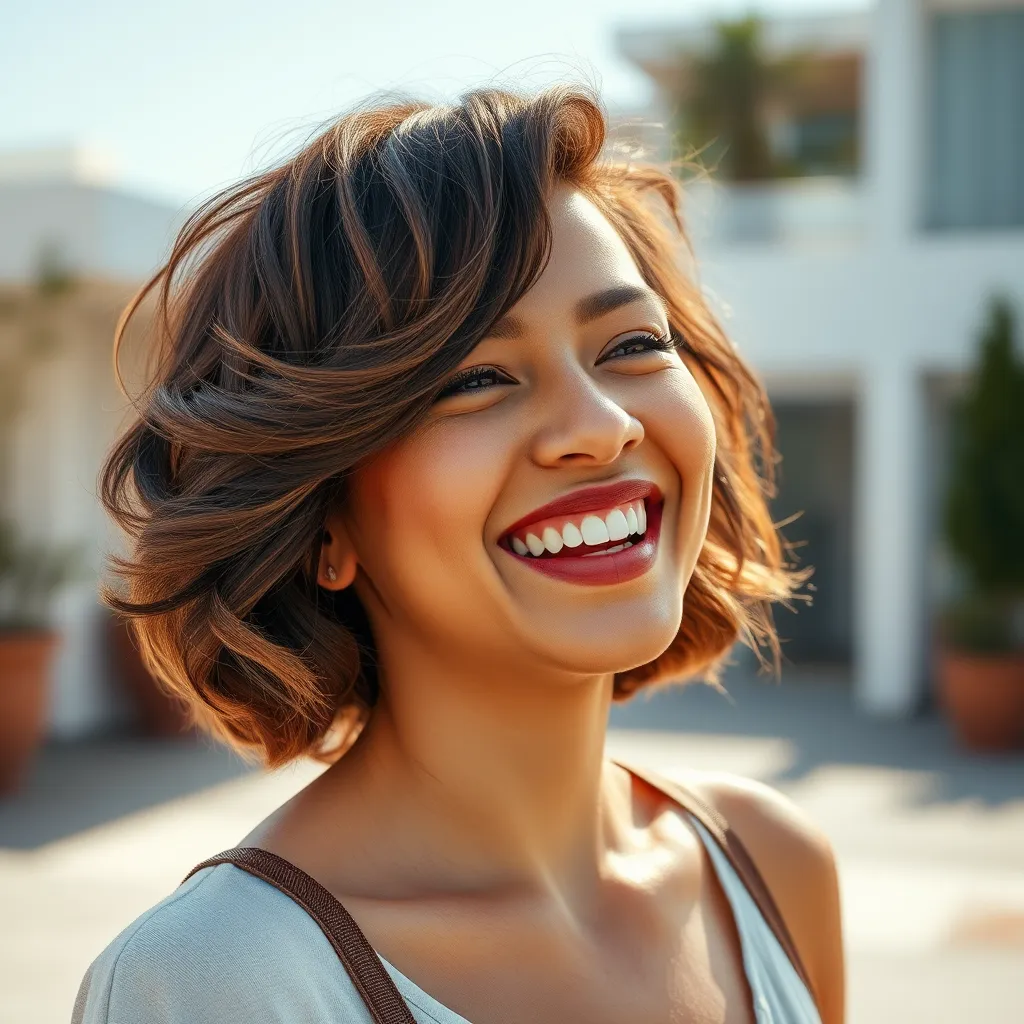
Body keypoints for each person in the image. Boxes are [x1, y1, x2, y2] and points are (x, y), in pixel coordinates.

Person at [73, 84, 844, 1024]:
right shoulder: (214, 983)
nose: (601, 428)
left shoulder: (770, 866)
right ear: (324, 522)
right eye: (476, 377)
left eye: (633, 343)